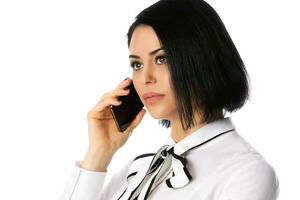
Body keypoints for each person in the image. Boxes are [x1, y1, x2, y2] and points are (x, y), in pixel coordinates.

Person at [59, 0, 280, 199]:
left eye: (162, 59)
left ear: (202, 60)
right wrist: (99, 153)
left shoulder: (245, 172)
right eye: (137, 65)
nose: (145, 78)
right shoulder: (138, 169)